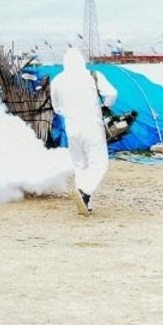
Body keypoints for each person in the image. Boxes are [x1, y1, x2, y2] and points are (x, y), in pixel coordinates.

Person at [50, 48, 116, 215]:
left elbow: (57, 108)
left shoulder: (57, 81)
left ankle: (86, 204)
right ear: (82, 61)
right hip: (92, 126)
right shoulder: (93, 75)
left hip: (72, 128)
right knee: (99, 164)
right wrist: (105, 105)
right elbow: (112, 94)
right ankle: (85, 192)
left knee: (80, 165)